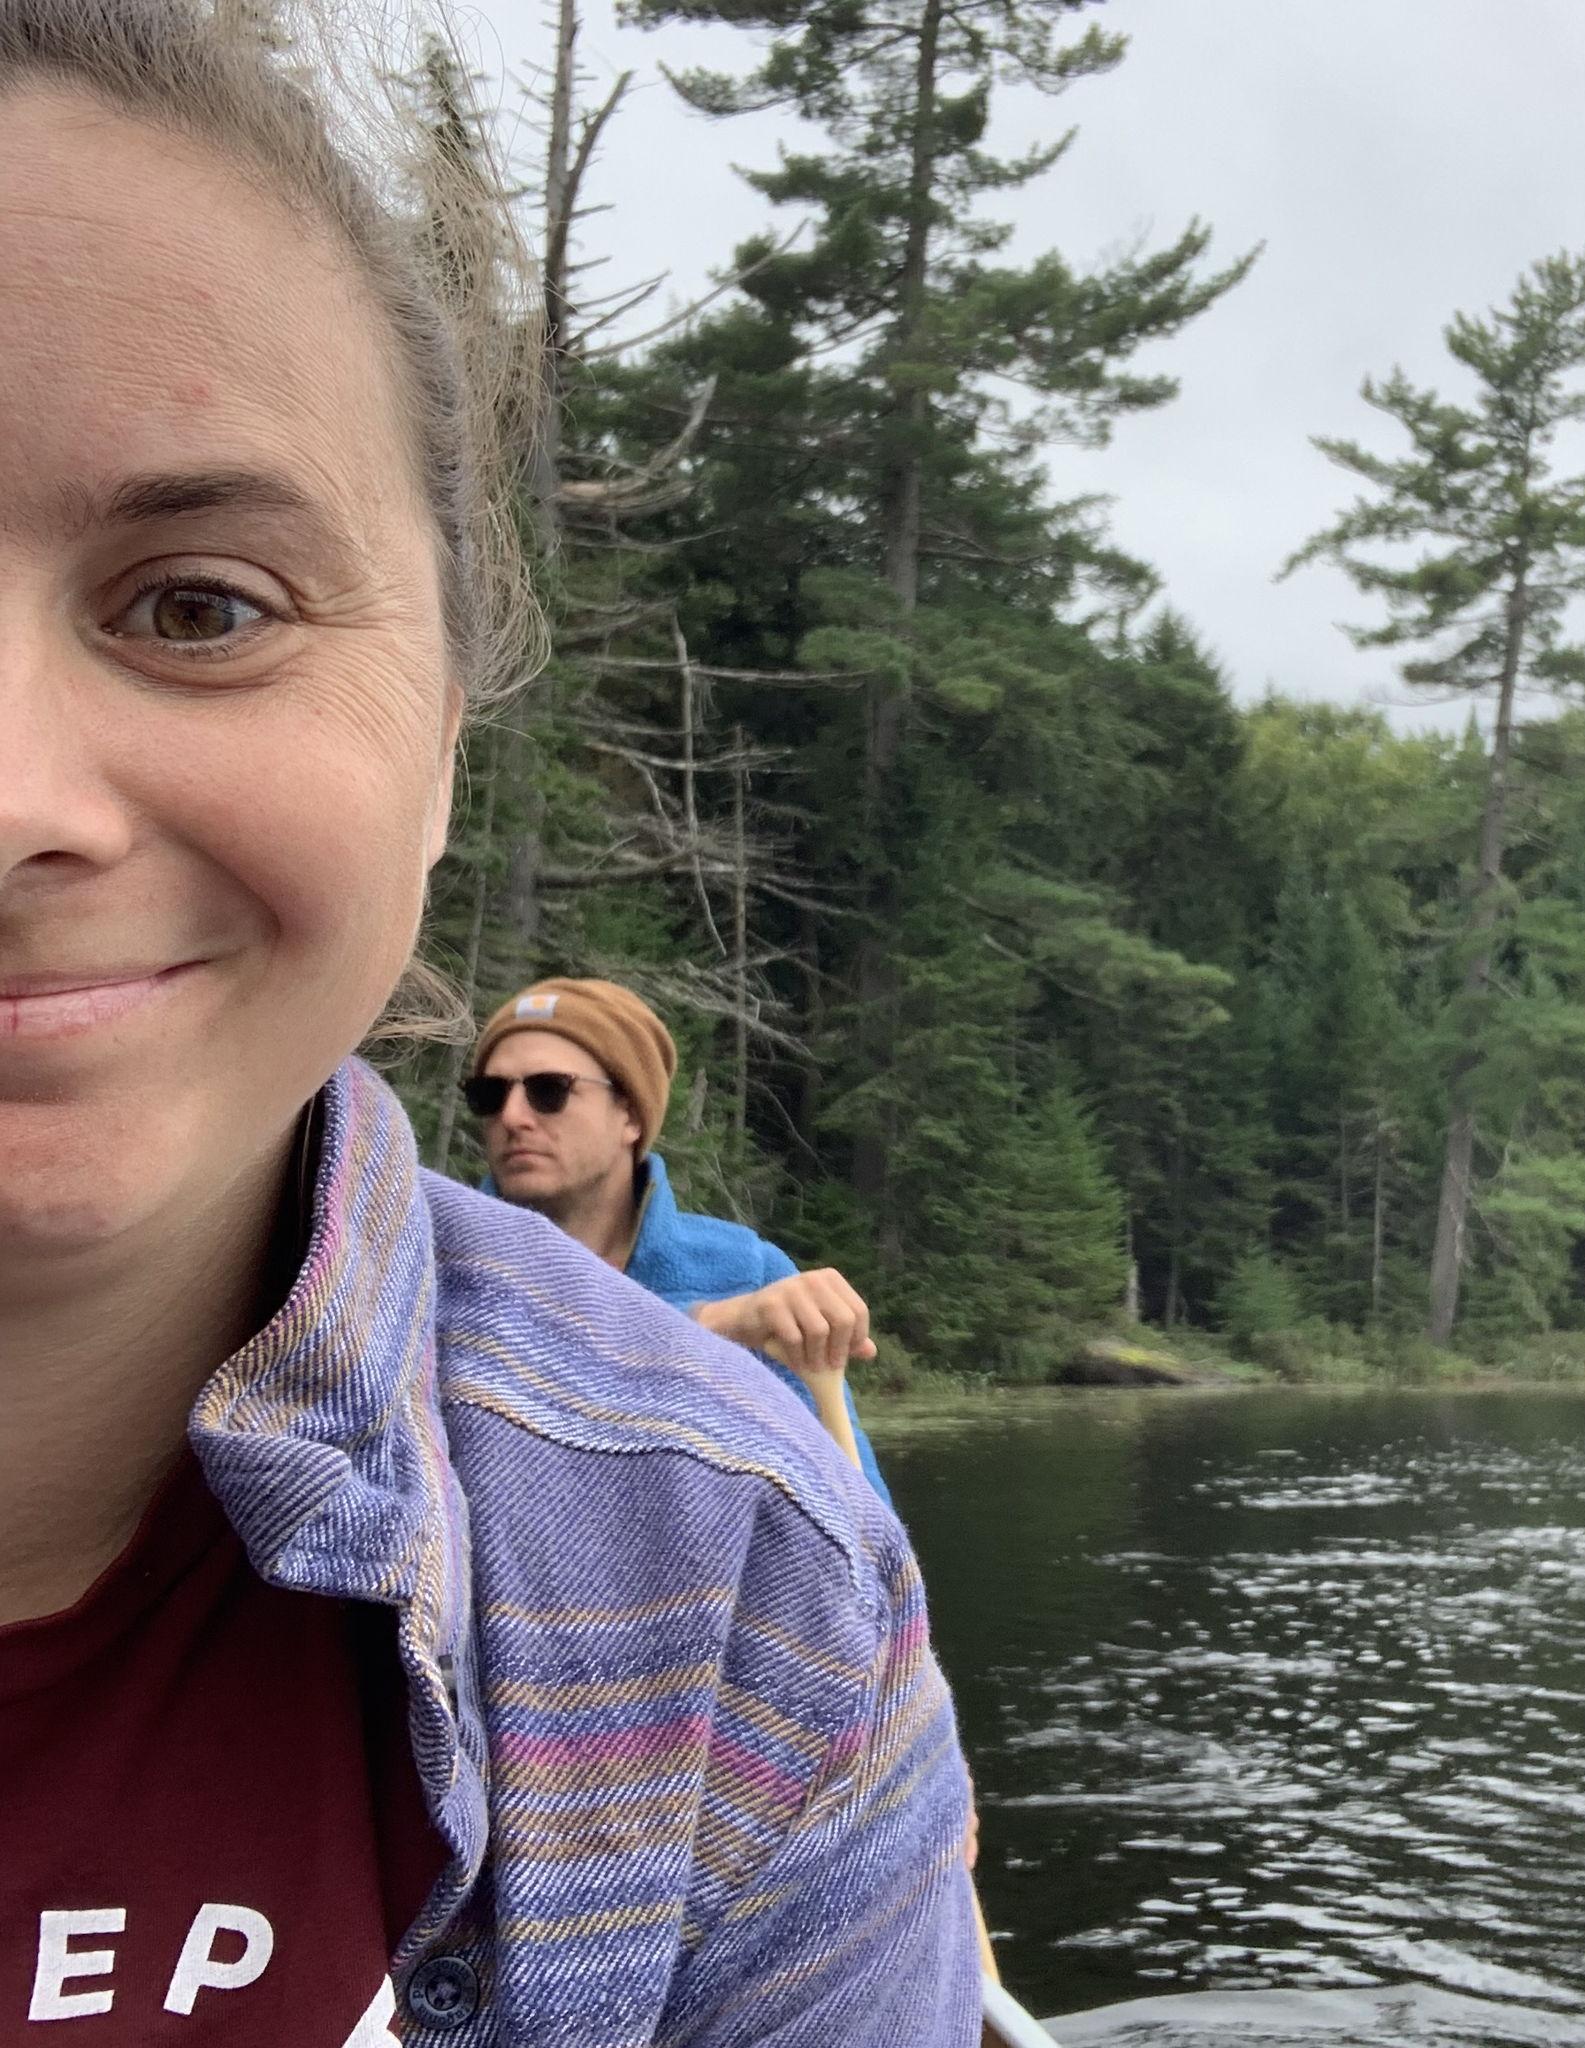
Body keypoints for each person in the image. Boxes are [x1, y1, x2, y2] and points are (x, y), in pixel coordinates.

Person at [0, 4, 980, 2043]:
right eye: (497, 1085)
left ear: (445, 737)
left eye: (199, 605)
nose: (16, 801)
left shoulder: (724, 1523)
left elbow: (795, 1470)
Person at [467, 976, 893, 1503]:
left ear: (630, 1114)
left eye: (548, 1090)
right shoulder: (441, 1268)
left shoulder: (750, 1273)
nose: (512, 1116)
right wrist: (715, 1326)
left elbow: (861, 1514)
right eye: (489, 1094)